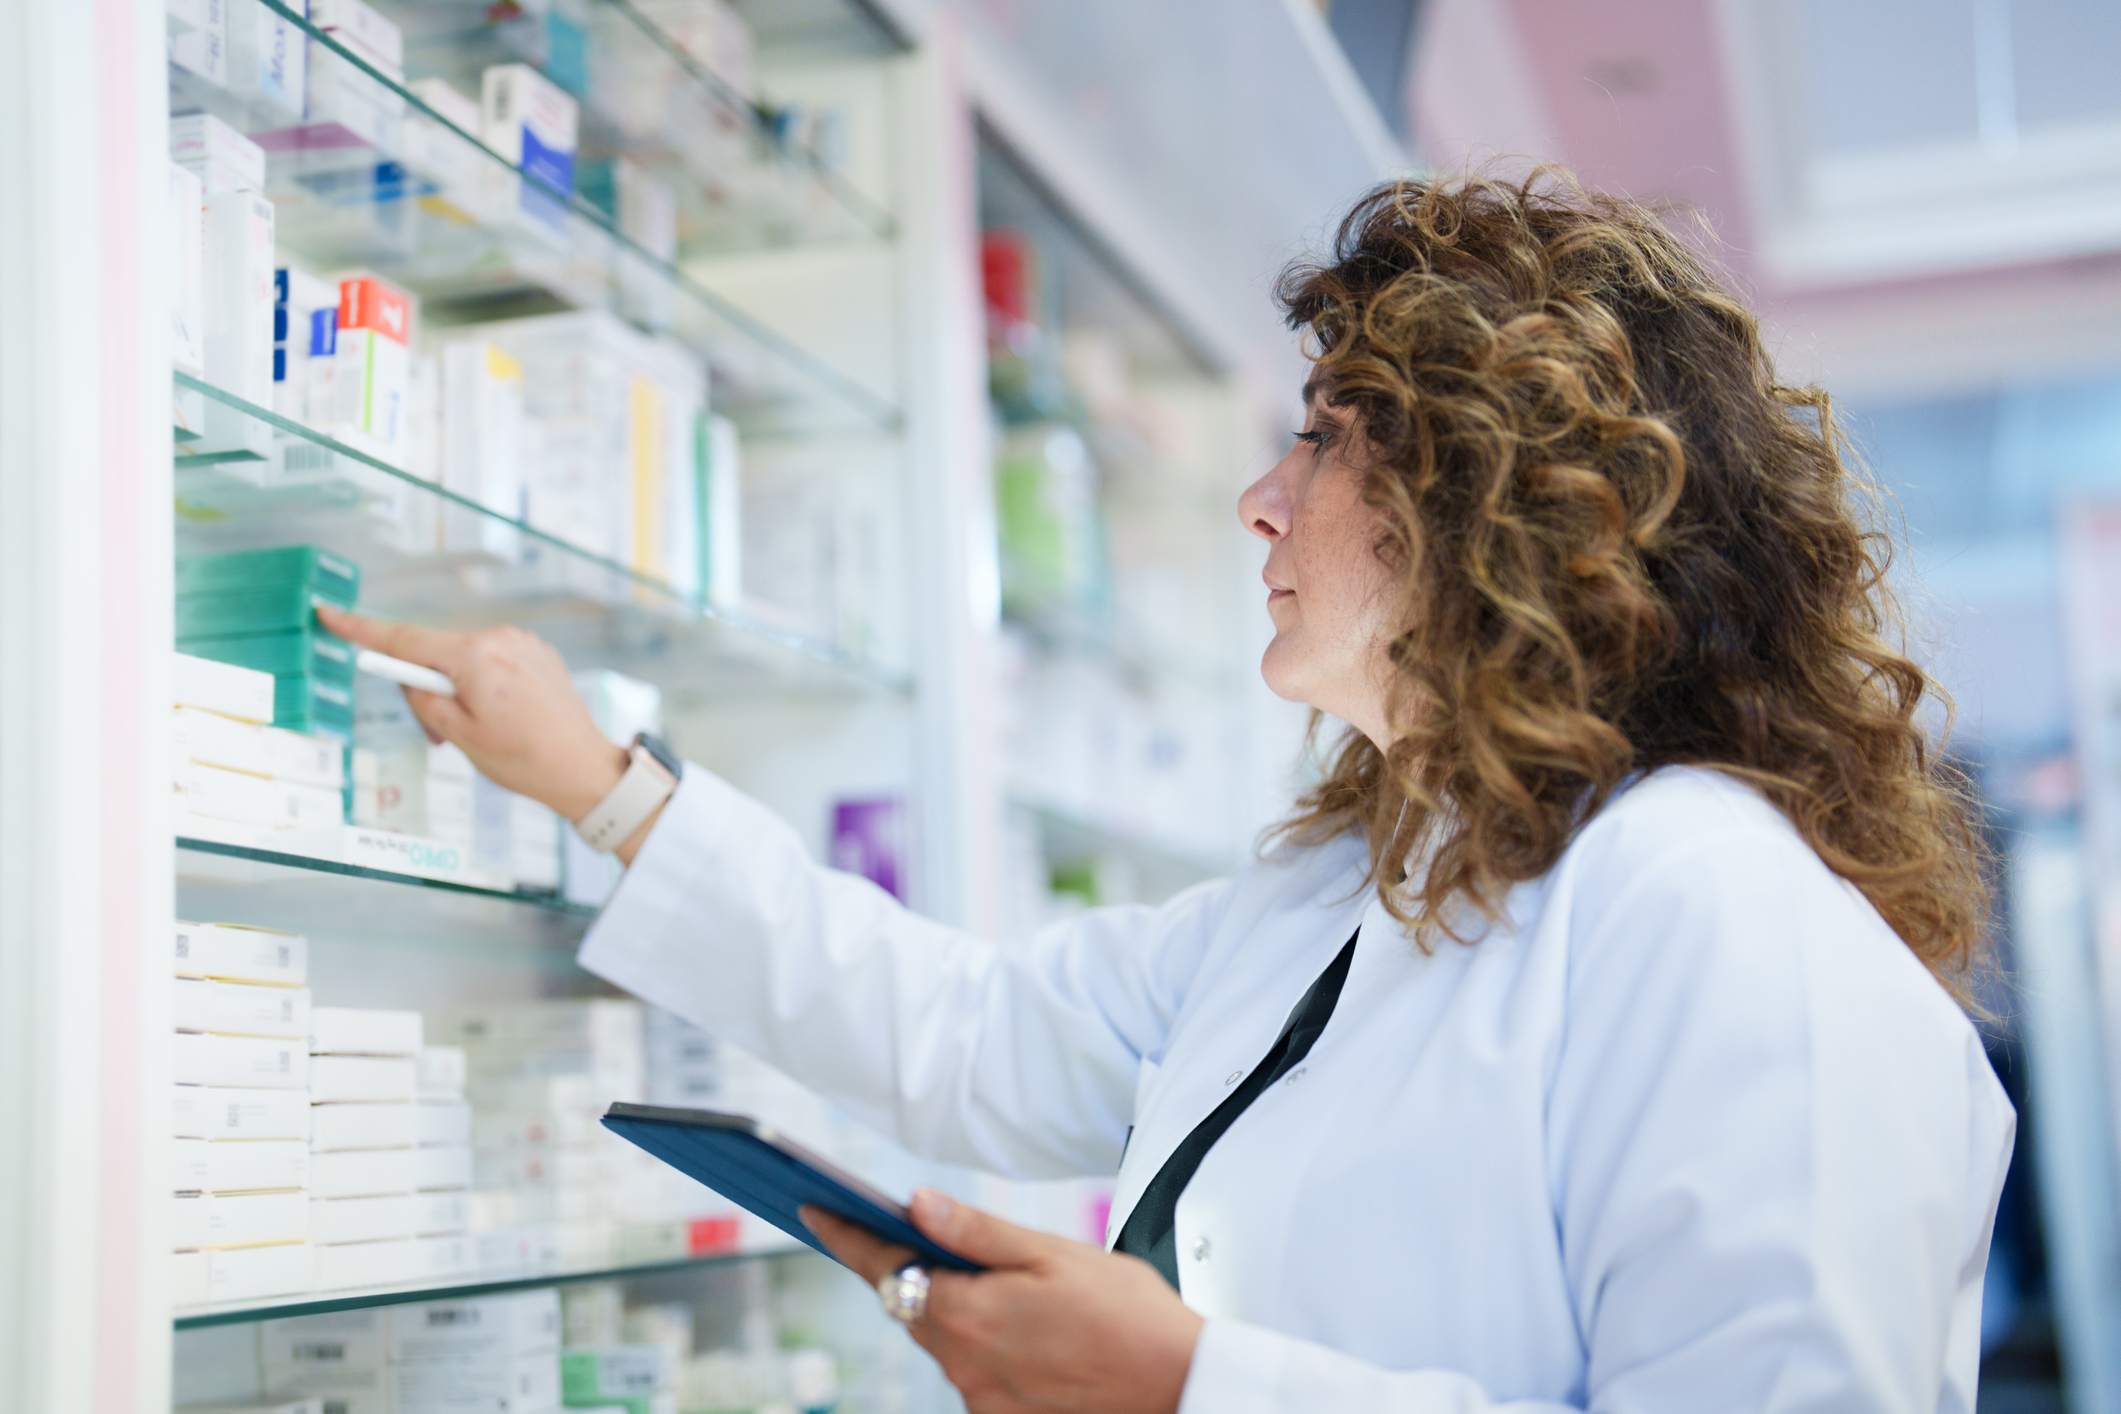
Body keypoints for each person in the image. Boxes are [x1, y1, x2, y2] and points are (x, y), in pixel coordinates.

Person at [320, 171, 2013, 1414]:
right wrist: (602, 786)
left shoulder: (1710, 902)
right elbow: (966, 1036)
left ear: (1516, 502)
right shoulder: (1345, 894)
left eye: (1332, 436)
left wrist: (1196, 1390)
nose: (1259, 500)